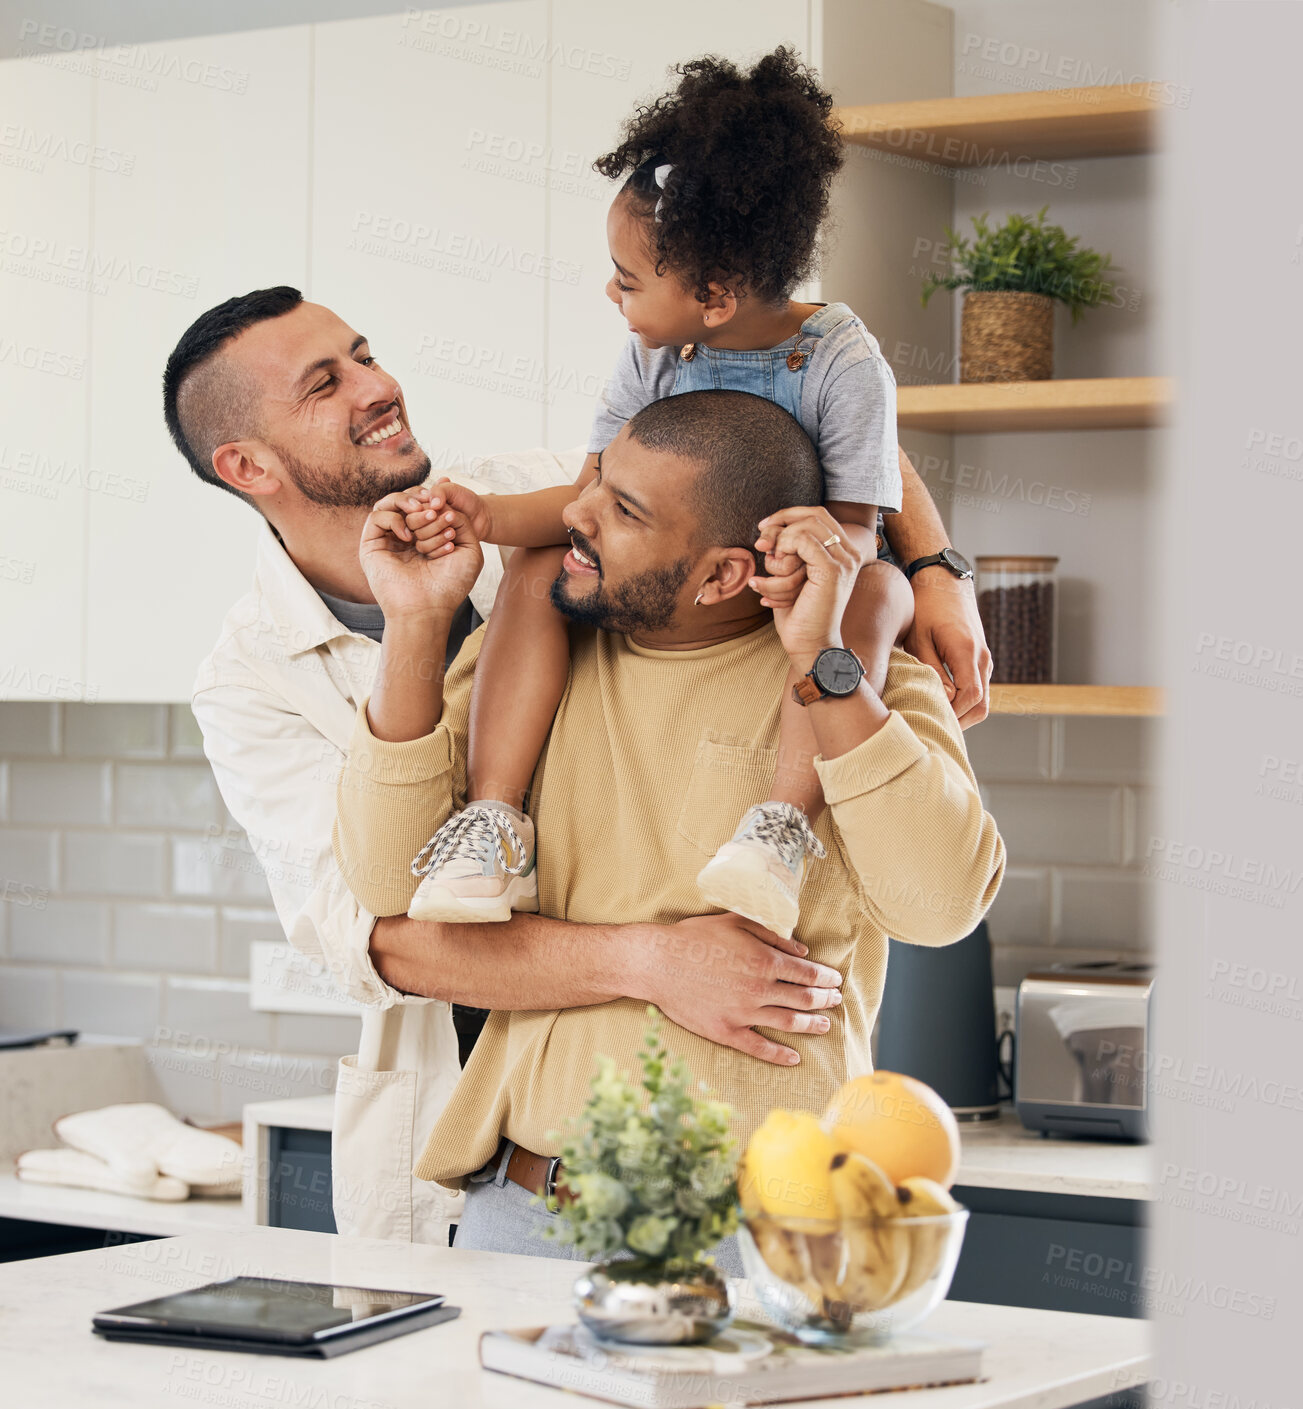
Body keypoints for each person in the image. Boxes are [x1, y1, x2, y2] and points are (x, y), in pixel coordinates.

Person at [166, 287, 860, 1246]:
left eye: (365, 351)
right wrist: (654, 961)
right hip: (479, 1161)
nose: (379, 385)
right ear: (246, 464)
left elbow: (809, 410)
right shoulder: (248, 682)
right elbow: (388, 944)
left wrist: (938, 572)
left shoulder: (546, 498)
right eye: (327, 384)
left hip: (718, 1134)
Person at [334, 388, 1005, 1264]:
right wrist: (415, 621)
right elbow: (387, 884)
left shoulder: (858, 683)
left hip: (756, 1231)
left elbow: (940, 906)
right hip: (523, 1210)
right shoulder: (528, 670)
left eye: (621, 508)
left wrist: (825, 668)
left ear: (723, 573)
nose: (573, 512)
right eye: (600, 480)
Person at [394, 49, 990, 947]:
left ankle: (780, 828)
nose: (611, 292)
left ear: (712, 295)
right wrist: (489, 516)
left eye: (627, 280)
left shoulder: (841, 362)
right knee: (536, 563)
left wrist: (809, 571)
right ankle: (494, 821)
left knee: (880, 593)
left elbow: (859, 531)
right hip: (679, 572)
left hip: (802, 575)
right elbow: (590, 495)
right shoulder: (652, 352)